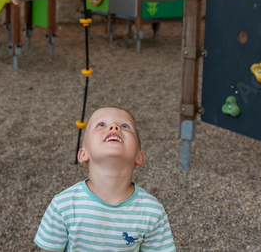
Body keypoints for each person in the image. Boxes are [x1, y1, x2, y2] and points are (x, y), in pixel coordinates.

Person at [34, 107, 176, 252]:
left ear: (139, 157)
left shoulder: (152, 211)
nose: (114, 127)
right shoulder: (64, 205)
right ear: (83, 154)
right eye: (101, 125)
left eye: (125, 126)